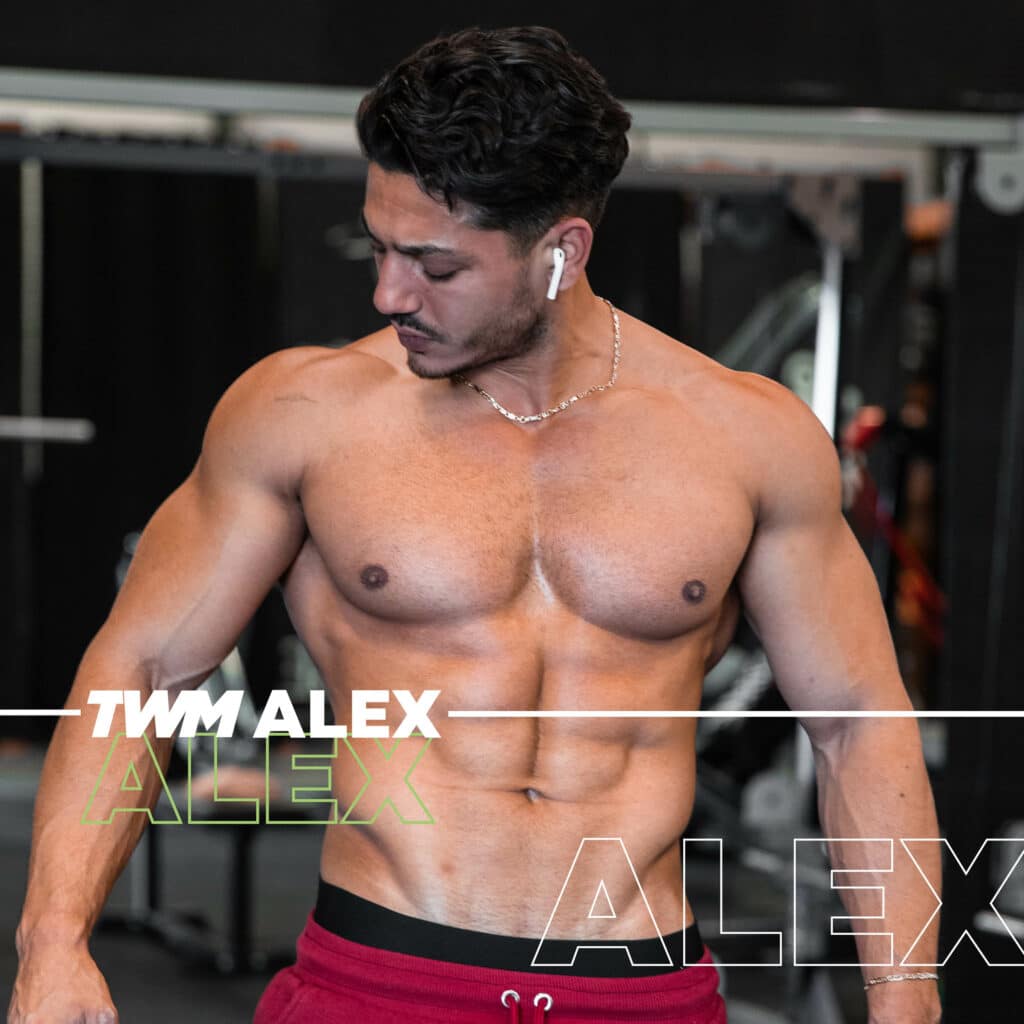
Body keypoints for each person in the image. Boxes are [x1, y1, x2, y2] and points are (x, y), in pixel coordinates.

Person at [9, 25, 941, 1024]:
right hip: (380, 979)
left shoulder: (746, 436)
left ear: (562, 252)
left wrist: (906, 996)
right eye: (381, 247)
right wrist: (53, 938)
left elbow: (856, 723)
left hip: (638, 989)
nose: (388, 292)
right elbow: (144, 670)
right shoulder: (305, 415)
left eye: (435, 266)